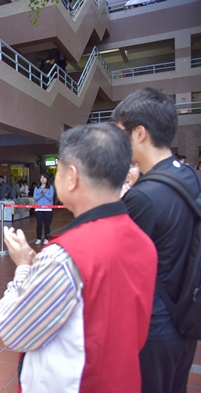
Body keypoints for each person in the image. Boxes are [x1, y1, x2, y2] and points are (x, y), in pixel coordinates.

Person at [0, 123, 157, 393]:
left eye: (57, 171)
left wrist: (24, 267)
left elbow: (13, 330)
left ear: (72, 177)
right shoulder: (142, 241)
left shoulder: (64, 257)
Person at [112, 87, 200, 393]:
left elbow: (116, 267)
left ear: (139, 133)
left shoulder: (144, 197)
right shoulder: (191, 177)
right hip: (187, 318)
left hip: (152, 328)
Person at [33, 174, 54, 245]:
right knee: (39, 224)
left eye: (44, 178)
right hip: (38, 209)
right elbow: (35, 198)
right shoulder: (37, 188)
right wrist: (42, 193)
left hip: (48, 209)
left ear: (47, 180)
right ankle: (38, 238)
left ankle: (46, 238)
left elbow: (50, 198)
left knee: (47, 225)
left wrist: (45, 193)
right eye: (41, 178)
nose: (43, 179)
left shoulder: (50, 188)